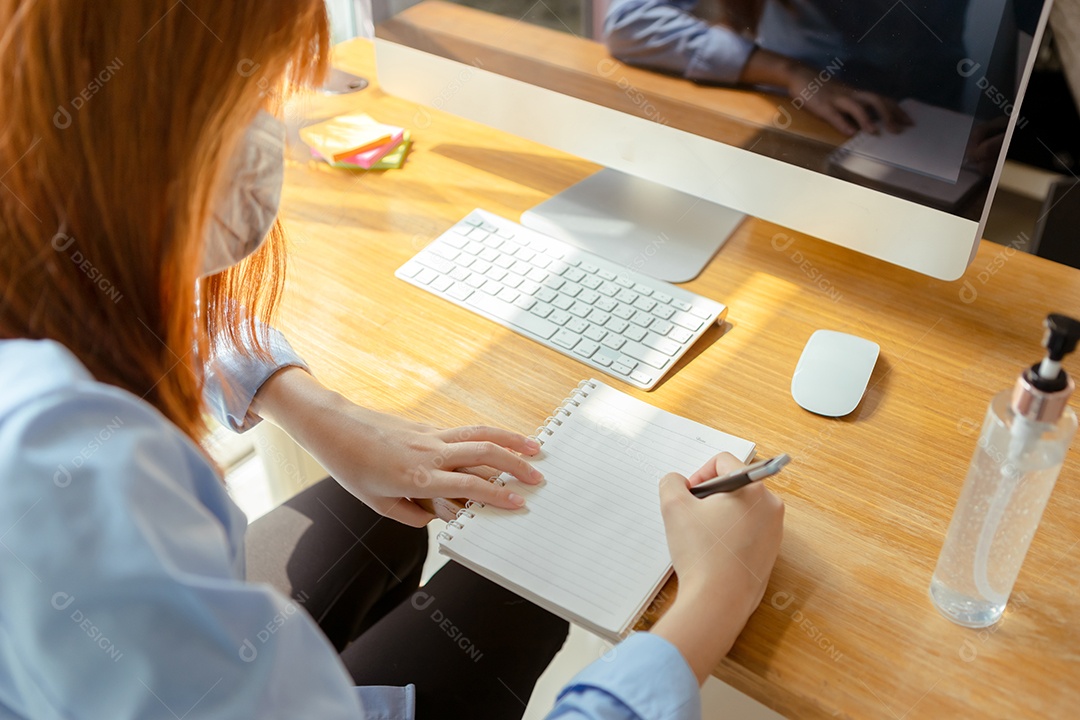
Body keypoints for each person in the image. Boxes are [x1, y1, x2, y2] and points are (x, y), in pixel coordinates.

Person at [0, 1, 784, 718]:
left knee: (407, 508)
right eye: (252, 99)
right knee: (521, 566)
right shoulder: (57, 477)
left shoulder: (38, 246)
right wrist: (718, 598)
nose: (272, 131)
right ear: (140, 139)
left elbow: (128, 301)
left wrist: (315, 408)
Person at [602, 0, 988, 135]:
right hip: (795, 124)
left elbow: (1042, 30)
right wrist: (790, 73)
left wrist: (1011, 142)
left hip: (923, 131)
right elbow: (629, 21)